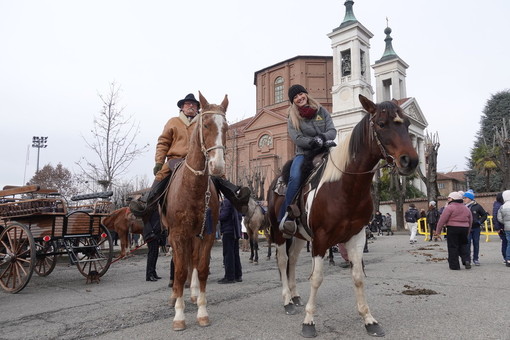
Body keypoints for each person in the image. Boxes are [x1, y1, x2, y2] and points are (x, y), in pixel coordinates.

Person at [278, 84, 337, 236]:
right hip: (304, 154)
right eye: (295, 97)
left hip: (325, 149)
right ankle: (288, 215)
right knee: (295, 177)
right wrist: (311, 142)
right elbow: (296, 137)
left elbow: (332, 130)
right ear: (293, 101)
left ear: (306, 94)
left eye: (301, 94)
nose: (299, 98)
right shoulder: (292, 117)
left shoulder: (321, 110)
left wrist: (322, 138)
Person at [435, 192, 472, 270]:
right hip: (464, 228)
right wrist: (468, 231)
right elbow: (470, 220)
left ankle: (454, 265)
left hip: (453, 228)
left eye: (449, 198)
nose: (448, 199)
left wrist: (438, 231)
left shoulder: (449, 207)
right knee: (464, 245)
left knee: (453, 246)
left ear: (453, 199)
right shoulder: (466, 208)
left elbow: (442, 220)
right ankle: (466, 260)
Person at [218, 197, 243, 284]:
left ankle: (229, 276)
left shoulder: (227, 202)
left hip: (228, 231)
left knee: (228, 254)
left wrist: (216, 213)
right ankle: (238, 275)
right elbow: (240, 216)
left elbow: (222, 216)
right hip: (236, 231)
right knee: (235, 253)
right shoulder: (236, 201)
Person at [463, 190, 488, 266]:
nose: (464, 199)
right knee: (467, 244)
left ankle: (476, 259)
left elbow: (484, 215)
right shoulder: (463, 207)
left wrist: (479, 222)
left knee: (476, 243)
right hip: (467, 228)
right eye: (463, 198)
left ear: (470, 198)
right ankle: (467, 259)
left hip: (476, 228)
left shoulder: (477, 206)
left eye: (465, 198)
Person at [144, 211, 162, 281]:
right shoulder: (150, 209)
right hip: (151, 235)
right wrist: (151, 232)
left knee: (155, 254)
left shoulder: (156, 208)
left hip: (156, 234)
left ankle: (153, 272)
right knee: (152, 254)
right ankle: (149, 274)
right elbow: (146, 222)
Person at [493, 192, 508, 264]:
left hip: (503, 226)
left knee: (506, 242)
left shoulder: (498, 205)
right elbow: (496, 217)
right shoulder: (498, 206)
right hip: (502, 227)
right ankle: (506, 257)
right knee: (505, 242)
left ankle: (506, 257)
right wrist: (497, 228)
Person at [496, 190, 510, 267]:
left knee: (509, 243)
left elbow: (499, 218)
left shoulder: (502, 206)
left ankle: (508, 259)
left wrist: (505, 223)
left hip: (507, 228)